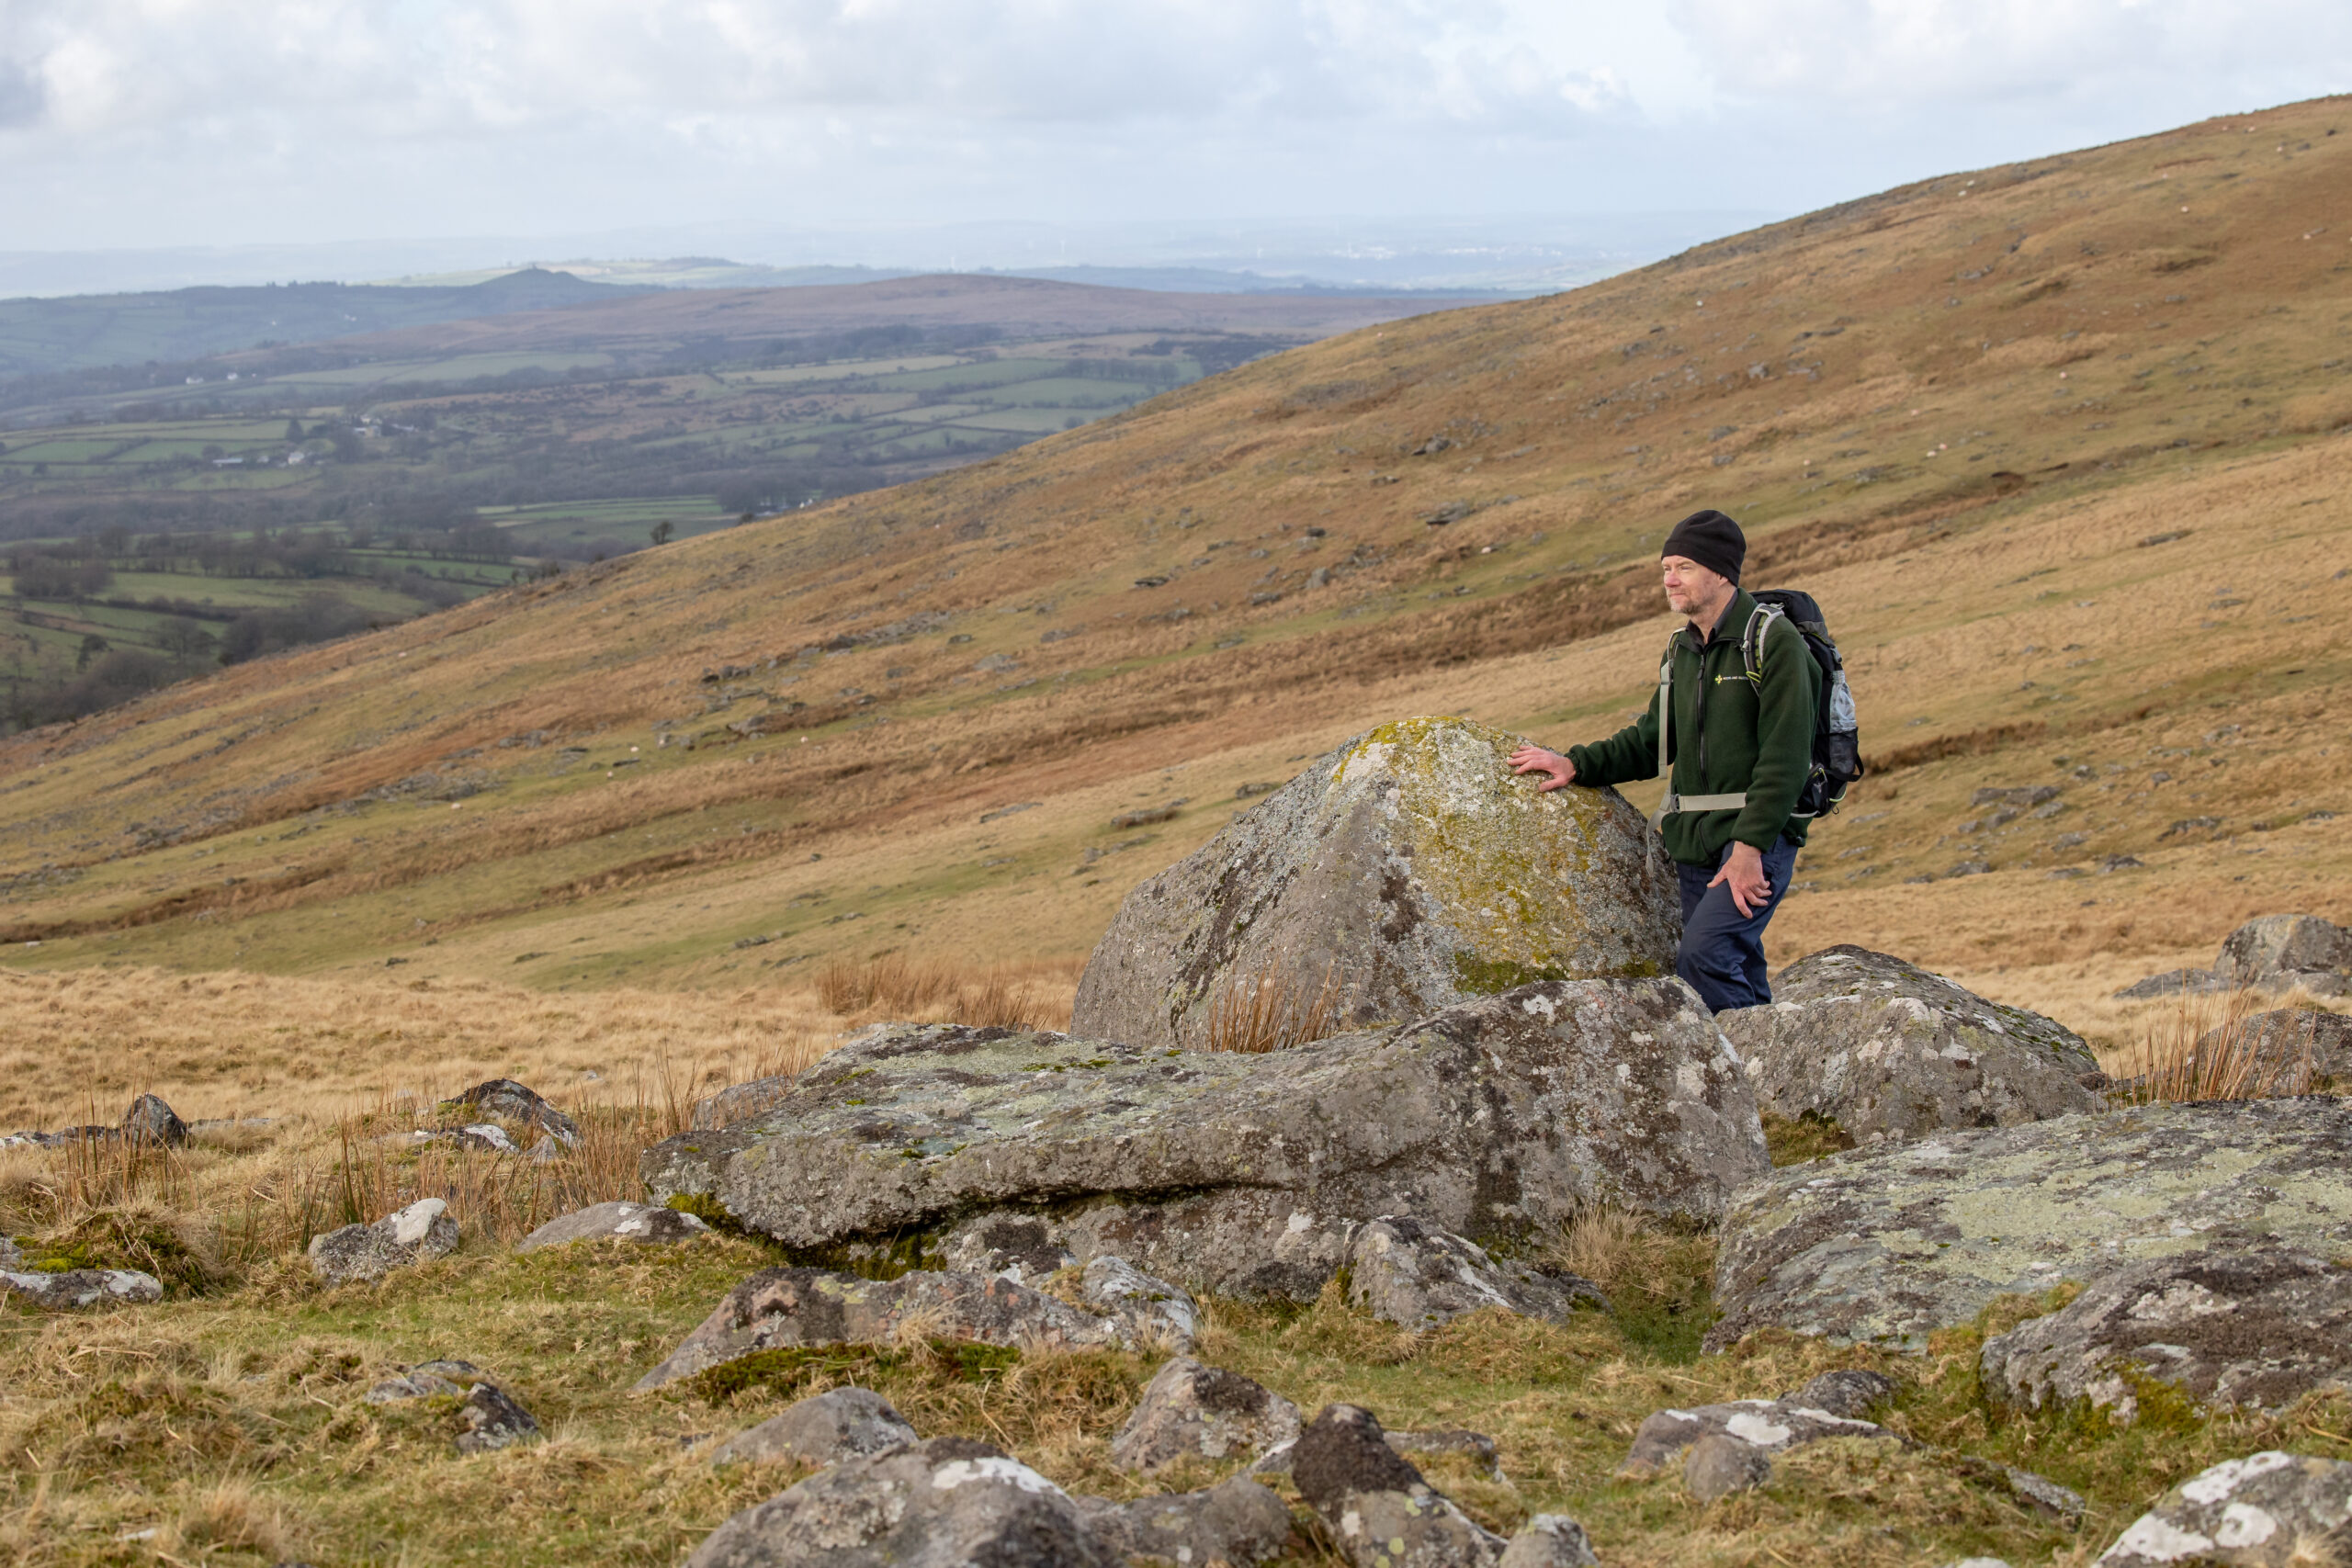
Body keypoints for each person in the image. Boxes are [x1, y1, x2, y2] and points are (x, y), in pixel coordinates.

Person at [1508, 510, 1815, 1012]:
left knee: (1705, 957)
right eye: (1665, 567)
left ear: (1721, 572)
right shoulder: (1682, 649)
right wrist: (1576, 765)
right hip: (1696, 840)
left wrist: (1750, 849)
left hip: (1756, 839)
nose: (1669, 579)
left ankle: (1741, 1072)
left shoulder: (1772, 642)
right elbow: (1653, 740)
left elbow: (1787, 757)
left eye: (1684, 567)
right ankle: (1767, 1067)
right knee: (1735, 961)